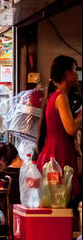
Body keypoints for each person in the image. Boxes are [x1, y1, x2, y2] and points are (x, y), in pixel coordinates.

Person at [36, 55, 82, 200]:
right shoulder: (61, 97)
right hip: (59, 154)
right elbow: (71, 129)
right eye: (74, 70)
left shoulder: (53, 96)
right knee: (61, 204)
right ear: (67, 73)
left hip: (53, 153)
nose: (76, 75)